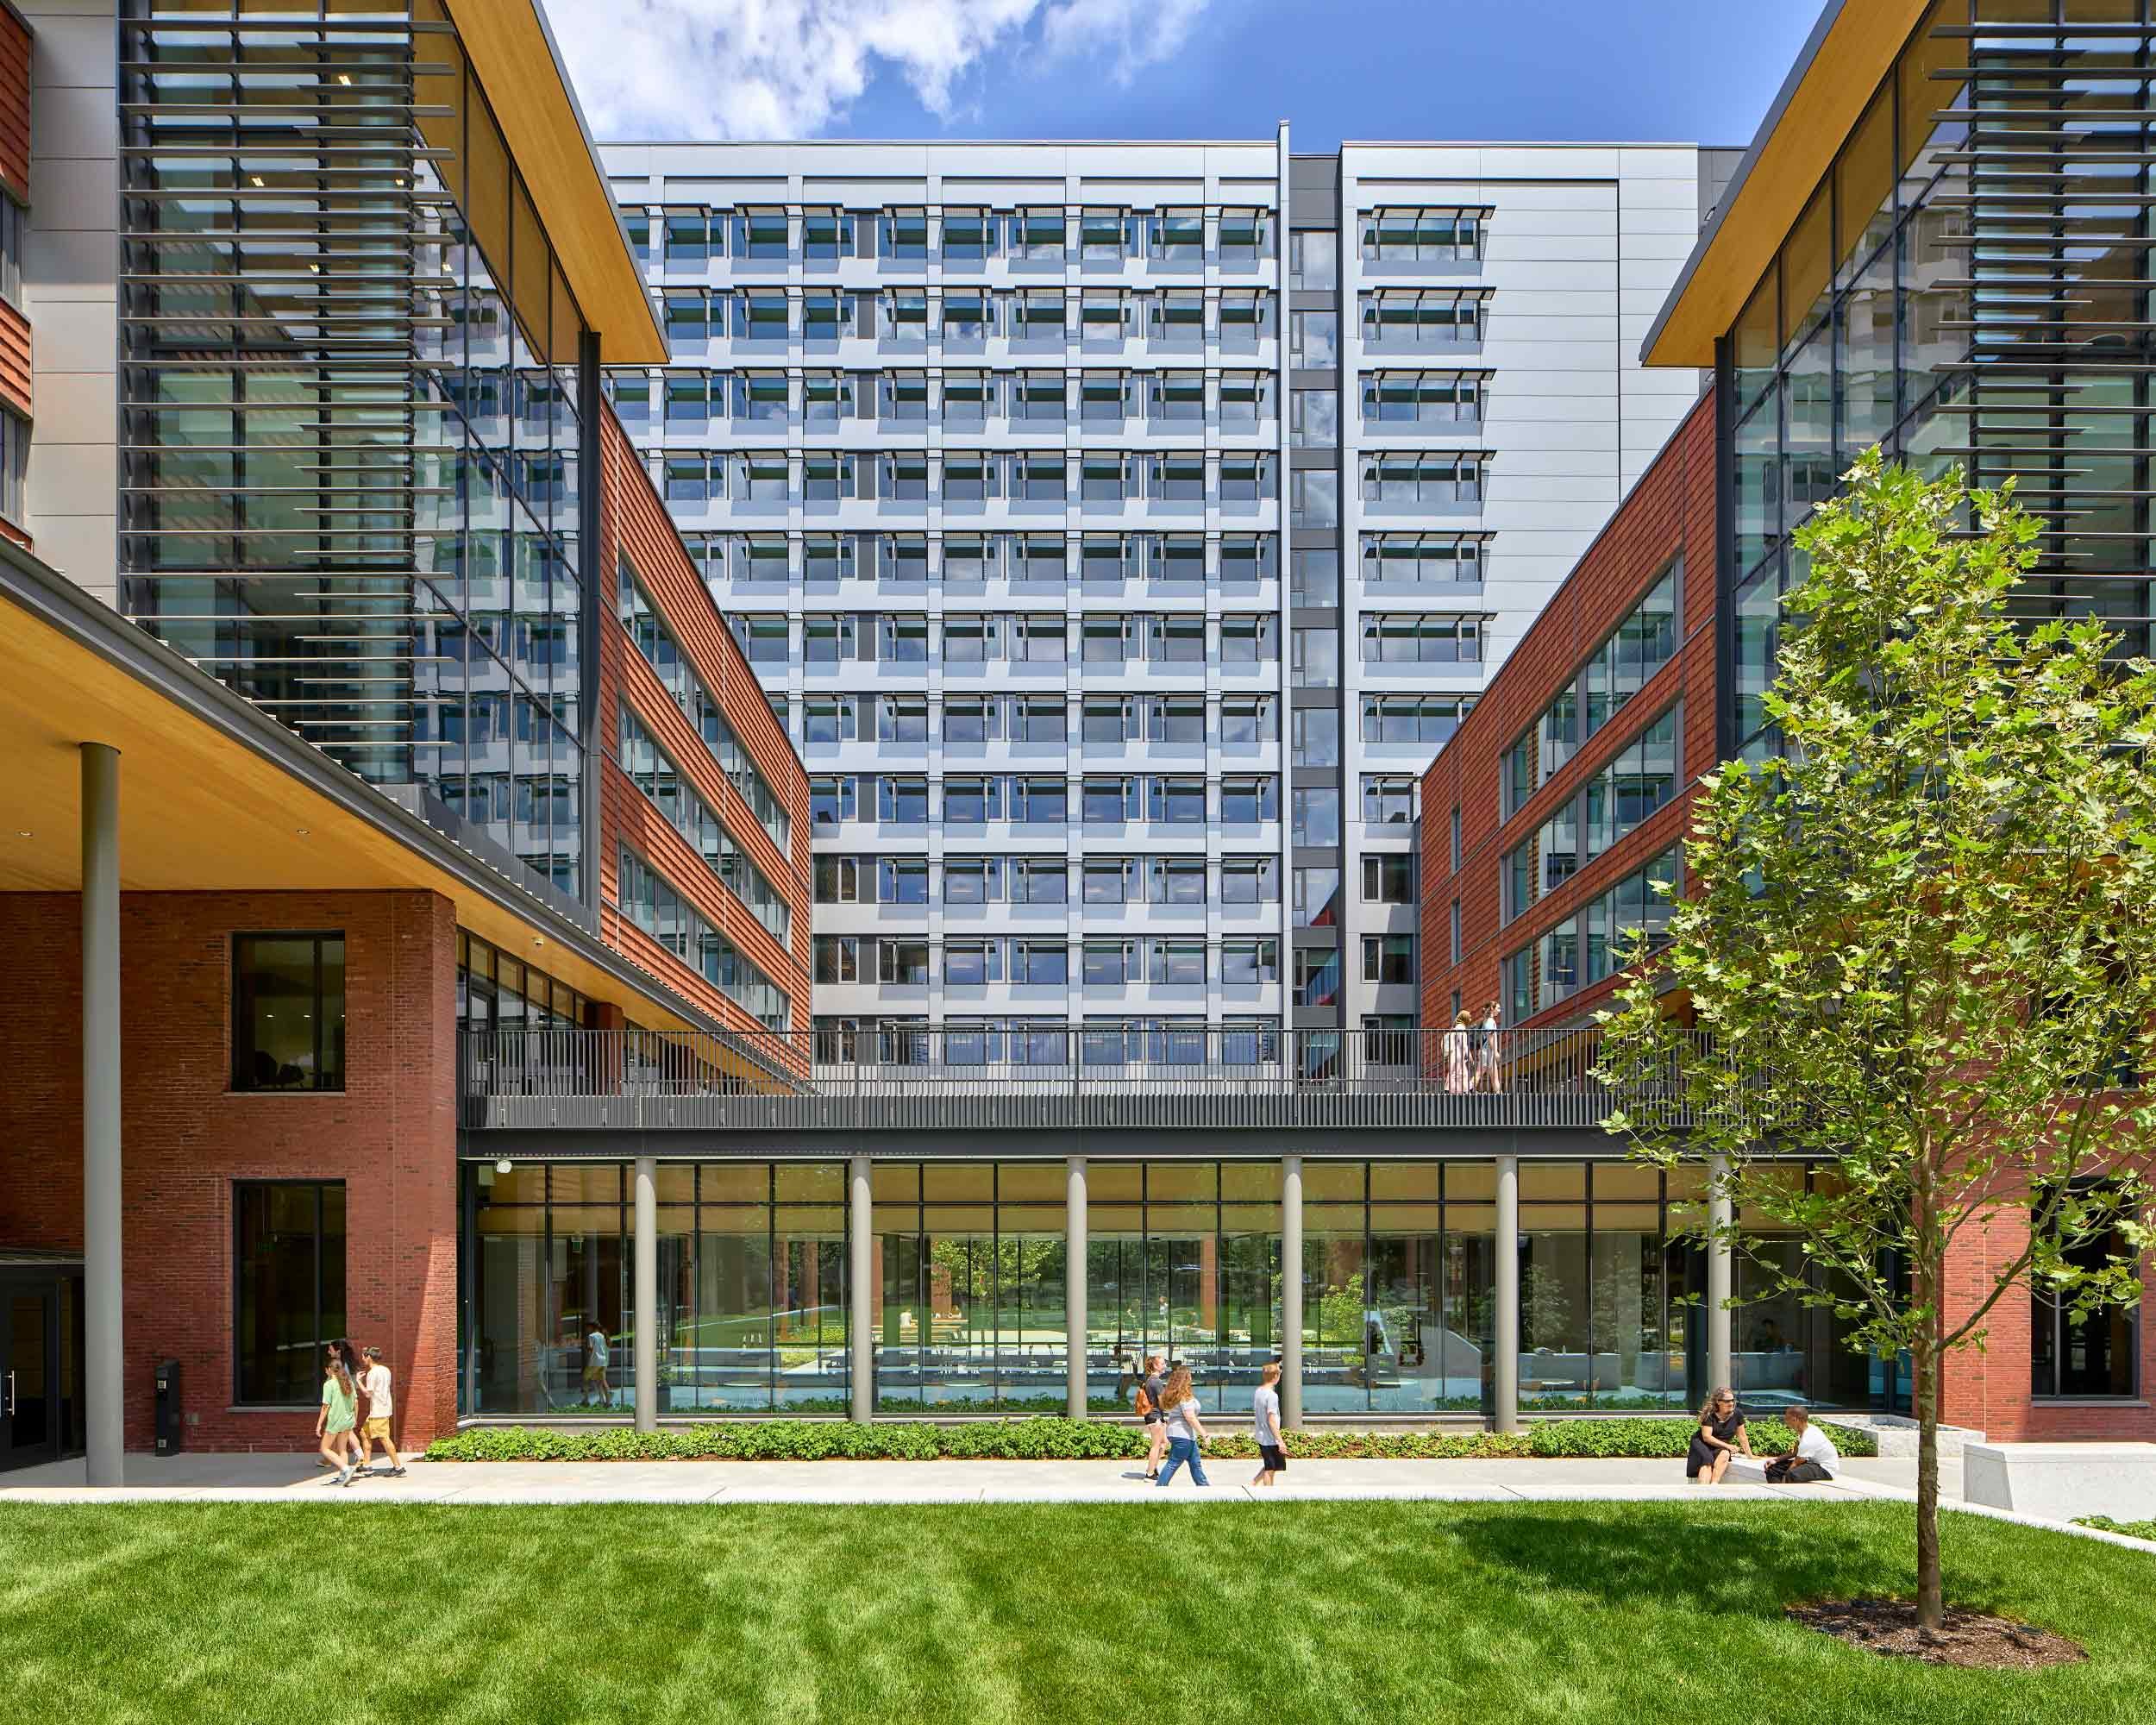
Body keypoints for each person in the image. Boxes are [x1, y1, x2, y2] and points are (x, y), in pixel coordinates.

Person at [355, 1345, 406, 1479]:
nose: (362, 1359)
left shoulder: (372, 1373)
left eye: (364, 1356)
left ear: (369, 1358)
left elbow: (367, 1394)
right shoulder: (385, 1370)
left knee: (384, 1438)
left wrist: (358, 1382)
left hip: (379, 1411)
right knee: (364, 1433)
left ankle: (398, 1467)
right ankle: (366, 1465)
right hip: (382, 1409)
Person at [1154, 1366, 1210, 1488]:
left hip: (1180, 1434)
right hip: (1183, 1435)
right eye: (1190, 1376)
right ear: (1187, 1379)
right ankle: (1159, 1489)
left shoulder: (1173, 1394)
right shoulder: (1185, 1396)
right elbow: (1190, 1417)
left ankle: (1204, 1487)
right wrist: (1205, 1434)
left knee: (1195, 1464)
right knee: (1173, 1463)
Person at [1687, 1386, 1751, 1483]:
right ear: (1718, 1402)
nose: (1731, 1403)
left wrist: (1750, 1455)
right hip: (1702, 1442)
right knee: (1707, 1460)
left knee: (1725, 1454)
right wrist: (1728, 1446)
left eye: (1732, 1400)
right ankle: (1701, 1492)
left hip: (1720, 1444)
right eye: (1727, 1401)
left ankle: (1714, 1486)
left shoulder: (1737, 1414)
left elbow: (1742, 1436)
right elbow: (1707, 1437)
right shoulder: (1709, 1414)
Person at [1764, 1406, 1840, 1484]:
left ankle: (1784, 1491)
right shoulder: (1803, 1430)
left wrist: (1785, 1477)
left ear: (1794, 1419)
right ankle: (1777, 1491)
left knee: (1791, 1474)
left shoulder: (1809, 1437)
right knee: (1772, 1468)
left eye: (1787, 1418)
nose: (1785, 1421)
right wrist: (1775, 1460)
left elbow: (1796, 1463)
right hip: (1811, 1463)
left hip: (1825, 1469)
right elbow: (1794, 1452)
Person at [316, 1346, 359, 1487]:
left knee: (325, 1449)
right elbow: (355, 1403)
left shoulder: (329, 1384)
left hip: (335, 1421)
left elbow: (325, 1406)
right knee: (342, 1450)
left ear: (329, 1370)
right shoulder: (348, 1382)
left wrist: (319, 1424)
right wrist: (355, 1418)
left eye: (326, 1370)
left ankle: (346, 1469)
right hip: (348, 1420)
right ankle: (343, 1476)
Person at [1251, 1360, 1287, 1487]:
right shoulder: (1272, 1396)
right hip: (1270, 1438)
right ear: (1276, 1376)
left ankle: (1254, 1482)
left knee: (1271, 1465)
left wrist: (1278, 1368)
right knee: (1270, 1469)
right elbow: (1272, 1420)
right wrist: (1280, 1441)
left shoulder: (1259, 1391)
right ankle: (1269, 1496)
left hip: (1262, 1436)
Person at [1135, 1353, 1169, 1480]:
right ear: (1155, 1366)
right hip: (1155, 1417)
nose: (1165, 1365)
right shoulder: (1156, 1382)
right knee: (1156, 1445)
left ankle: (1152, 1466)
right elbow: (1162, 1402)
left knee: (1164, 1443)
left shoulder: (1150, 1380)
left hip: (1155, 1416)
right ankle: (1149, 1474)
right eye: (1162, 1363)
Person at [1475, 1000, 1504, 1092]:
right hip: (1487, 1052)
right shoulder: (1490, 1021)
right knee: (1479, 1073)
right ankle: (1468, 1090)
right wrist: (1495, 1052)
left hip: (1487, 1052)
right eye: (1498, 1008)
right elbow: (1490, 1037)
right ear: (1492, 1009)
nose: (1500, 1010)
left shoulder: (1487, 1021)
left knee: (1494, 1076)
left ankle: (1499, 1094)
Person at [1441, 1012, 1472, 1095]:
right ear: (1464, 1018)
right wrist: (1470, 1056)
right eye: (1469, 1017)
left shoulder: (1456, 1027)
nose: (1470, 1019)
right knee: (1455, 1073)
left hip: (1456, 1054)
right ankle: (1451, 1091)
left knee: (1462, 1073)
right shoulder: (1461, 1027)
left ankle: (1467, 1089)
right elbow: (1464, 1044)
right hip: (1457, 1054)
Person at [584, 1322, 611, 1407]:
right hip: (603, 1362)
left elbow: (590, 1349)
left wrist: (586, 1346)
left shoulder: (591, 1336)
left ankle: (586, 1401)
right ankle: (608, 1402)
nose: (587, 1329)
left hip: (595, 1362)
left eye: (588, 1328)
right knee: (603, 1382)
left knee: (585, 1379)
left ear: (592, 1327)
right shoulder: (602, 1336)